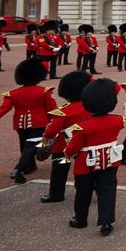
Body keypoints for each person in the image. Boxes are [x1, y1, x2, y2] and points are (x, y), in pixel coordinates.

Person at [64, 78, 125, 235]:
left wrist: (67, 153)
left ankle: (80, 219)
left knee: (83, 192)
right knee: (107, 192)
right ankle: (106, 223)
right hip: (110, 162)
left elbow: (73, 147)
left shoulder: (82, 127)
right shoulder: (118, 120)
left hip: (86, 164)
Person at [0, 58, 57, 183]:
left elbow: (3, 109)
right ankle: (18, 169)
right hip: (39, 124)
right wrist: (57, 124)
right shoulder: (45, 91)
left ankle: (30, 166)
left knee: (24, 146)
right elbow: (52, 110)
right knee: (31, 147)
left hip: (20, 125)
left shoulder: (13, 93)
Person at [38, 70, 93, 203]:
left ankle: (56, 194)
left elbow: (52, 131)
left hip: (64, 146)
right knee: (88, 169)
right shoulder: (91, 106)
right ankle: (89, 190)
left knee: (59, 171)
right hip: (86, 144)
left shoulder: (62, 111)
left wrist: (46, 137)